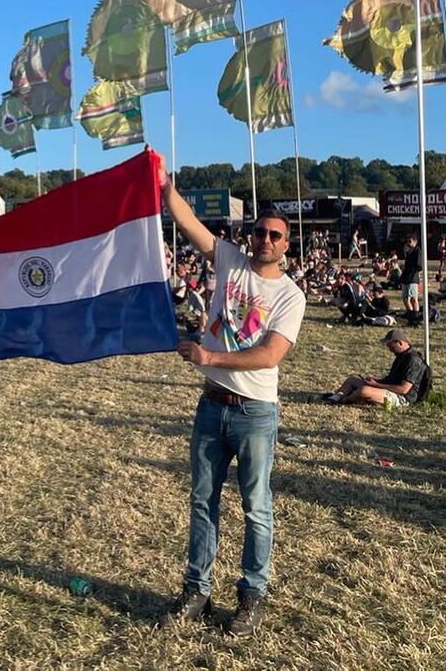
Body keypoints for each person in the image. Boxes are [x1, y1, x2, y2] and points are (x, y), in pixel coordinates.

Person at [155, 152, 306, 638]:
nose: (265, 239)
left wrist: (209, 357)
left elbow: (269, 356)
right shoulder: (230, 260)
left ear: (286, 245)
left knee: (256, 507)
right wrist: (163, 185)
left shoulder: (291, 296)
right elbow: (188, 222)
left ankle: (251, 595)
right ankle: (196, 590)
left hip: (255, 413)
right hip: (211, 406)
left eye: (275, 235)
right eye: (260, 231)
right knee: (203, 500)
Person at [322, 329, 428, 406]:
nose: (390, 349)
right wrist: (376, 381)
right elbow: (391, 380)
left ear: (399, 343)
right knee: (352, 380)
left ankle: (344, 400)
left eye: (391, 346)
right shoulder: (401, 356)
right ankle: (334, 398)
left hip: (402, 398)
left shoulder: (413, 360)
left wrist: (377, 385)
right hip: (391, 390)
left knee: (364, 390)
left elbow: (404, 389)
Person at [400, 234, 422, 325]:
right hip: (406, 277)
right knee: (405, 298)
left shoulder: (417, 251)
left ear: (415, 241)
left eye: (410, 241)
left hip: (412, 277)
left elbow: (419, 266)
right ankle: (410, 317)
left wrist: (408, 268)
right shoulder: (409, 251)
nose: (408, 243)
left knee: (413, 298)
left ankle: (415, 318)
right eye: (407, 241)